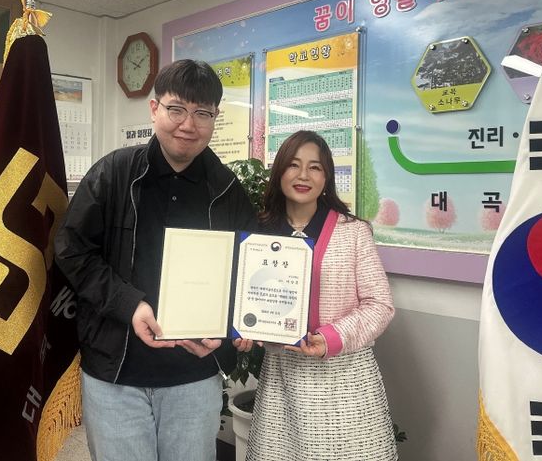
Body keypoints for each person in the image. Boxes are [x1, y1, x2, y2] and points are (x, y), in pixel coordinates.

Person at [54, 59, 257, 461]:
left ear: (215, 119)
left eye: (202, 113)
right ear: (154, 108)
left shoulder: (227, 190)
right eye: (176, 109)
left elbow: (246, 269)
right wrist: (129, 304)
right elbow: (71, 248)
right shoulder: (113, 173)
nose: (188, 124)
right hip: (116, 372)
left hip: (193, 375)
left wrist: (231, 326)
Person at [246, 130, 398, 461]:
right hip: (283, 381)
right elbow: (252, 301)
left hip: (346, 382)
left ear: (326, 177)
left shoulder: (353, 231)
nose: (303, 175)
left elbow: (380, 305)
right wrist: (246, 330)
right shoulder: (260, 235)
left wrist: (331, 337)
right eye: (293, 165)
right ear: (279, 172)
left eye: (314, 167)